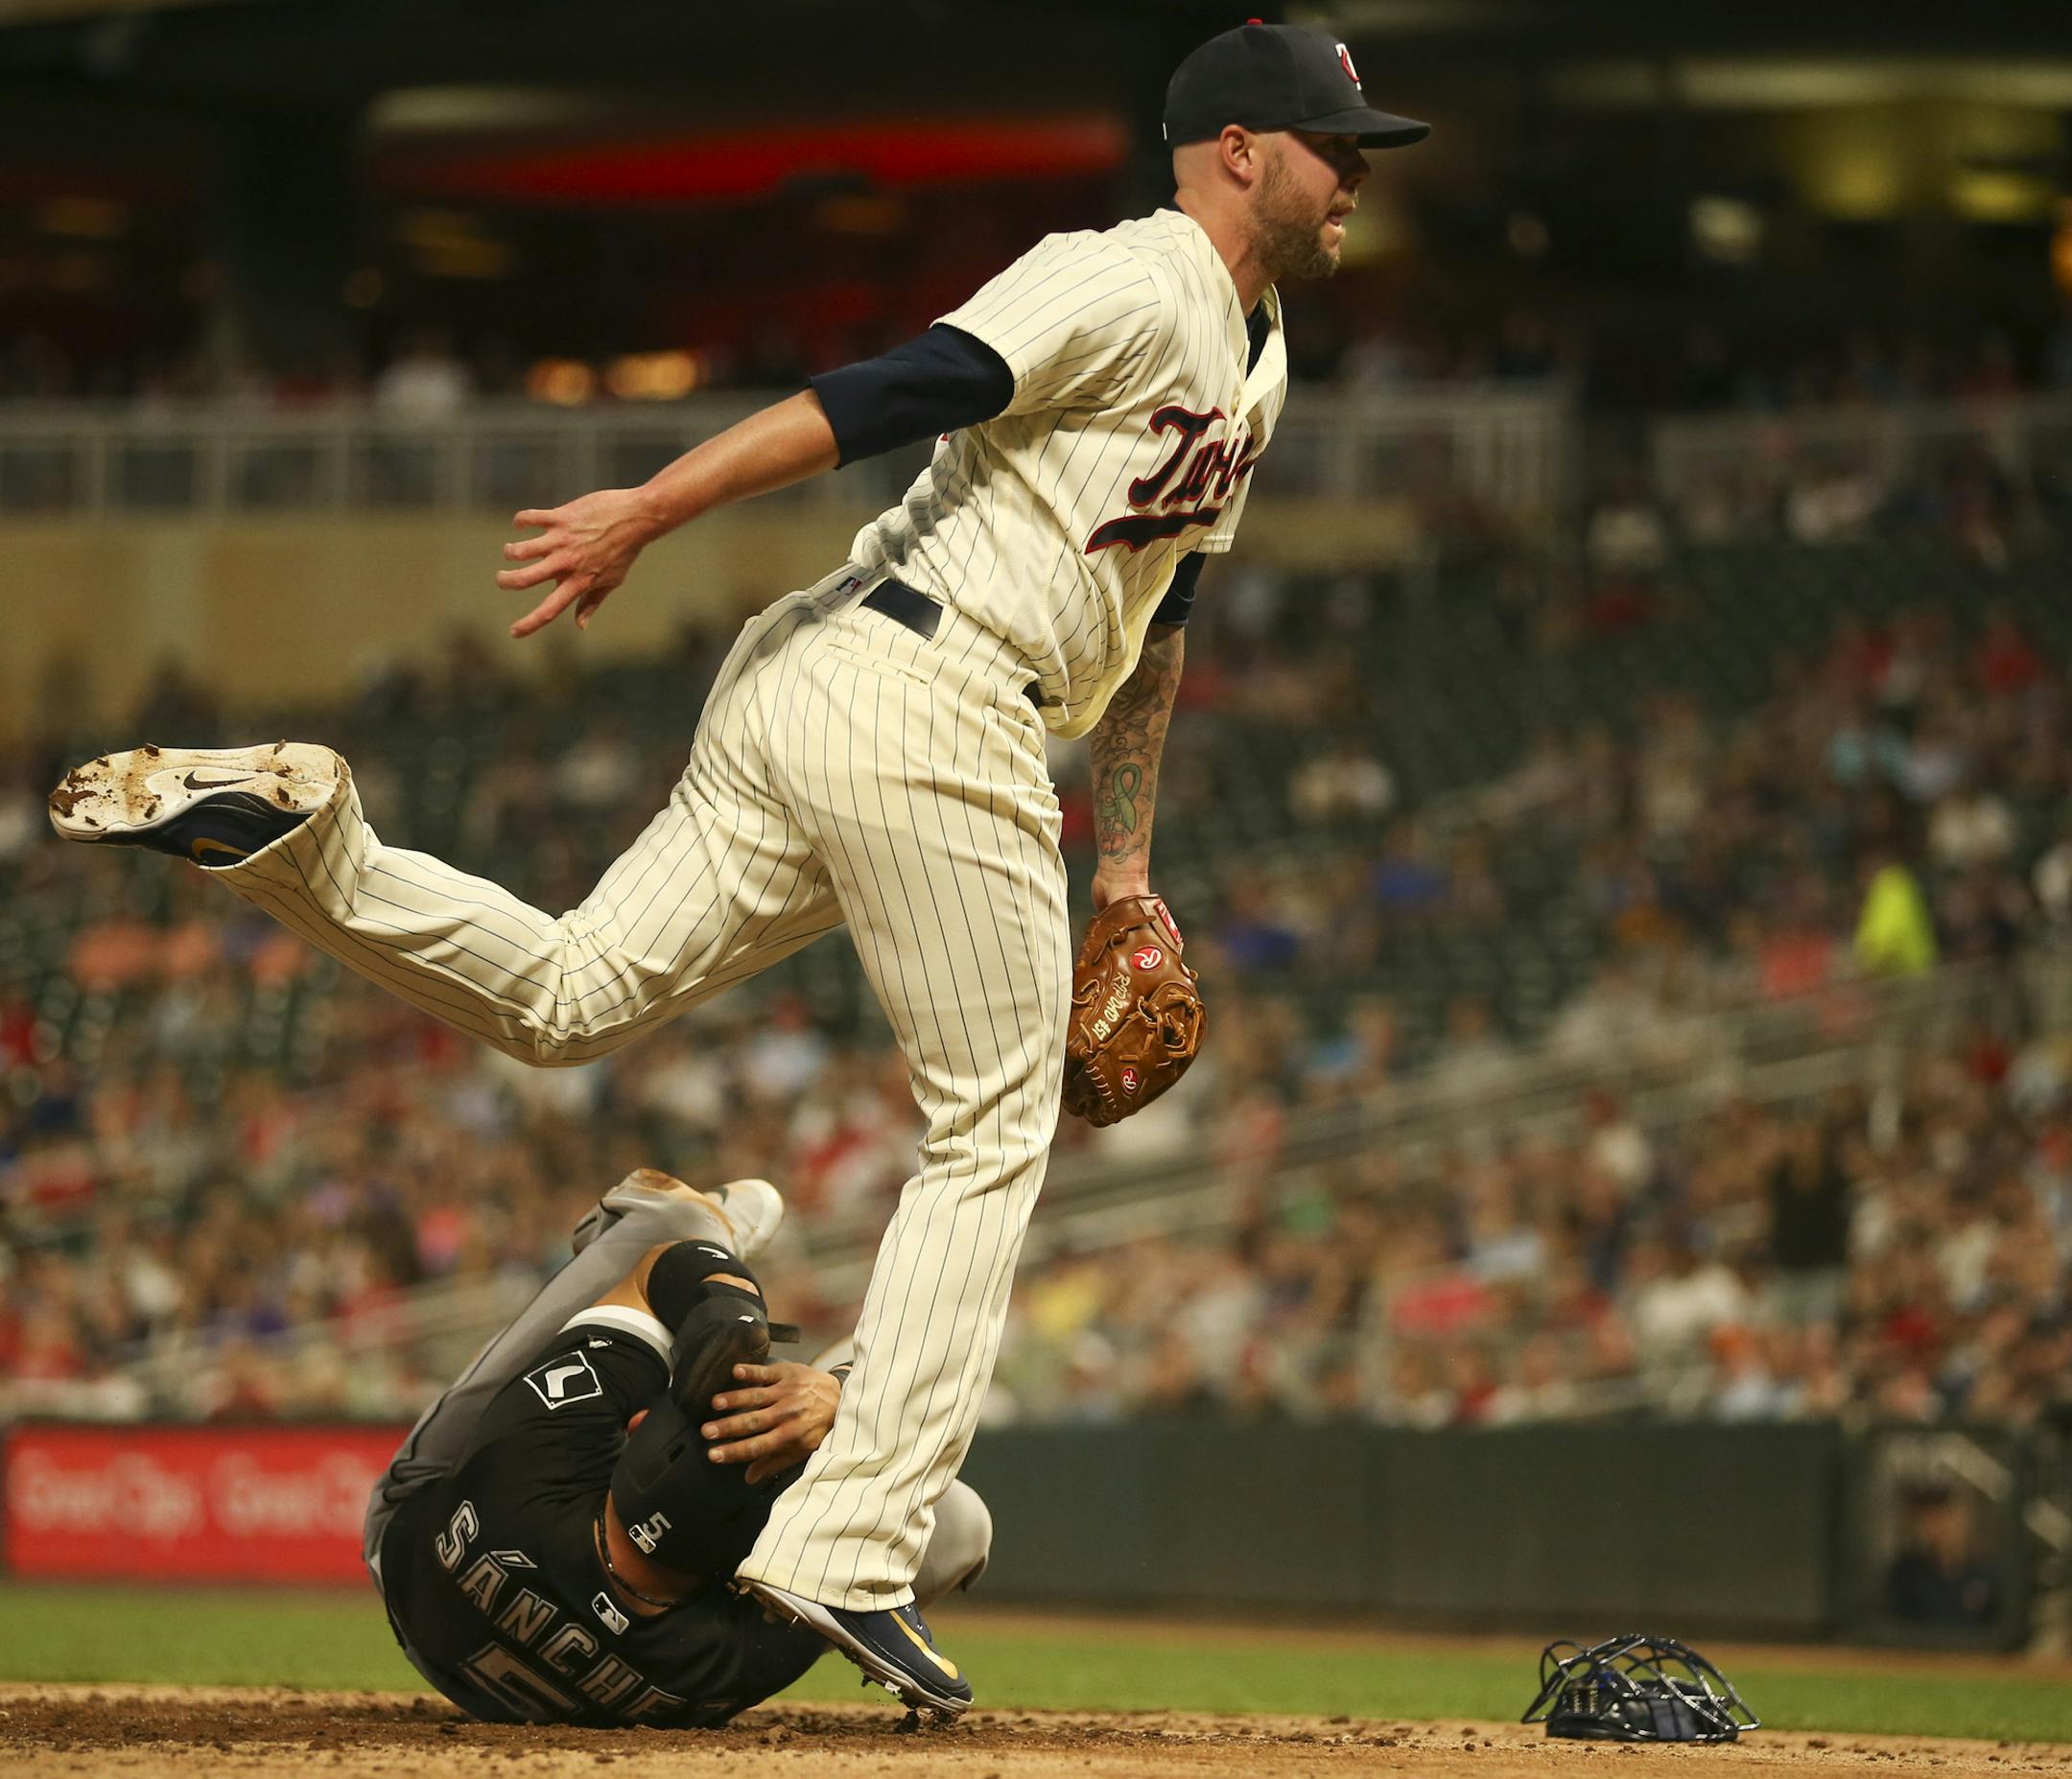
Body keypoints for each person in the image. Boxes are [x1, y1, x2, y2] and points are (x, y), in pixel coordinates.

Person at [48, 22, 1427, 1714]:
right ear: (1232, 147)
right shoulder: (1131, 282)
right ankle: (850, 1544)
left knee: (567, 995)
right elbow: (889, 391)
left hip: (839, 687)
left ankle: (313, 838)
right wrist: (650, 508)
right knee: (993, 1121)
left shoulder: (1260, 357)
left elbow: (1159, 618)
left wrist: (1127, 871)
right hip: (931, 687)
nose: (1357, 171)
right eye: (1332, 142)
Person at [368, 1169, 994, 1725]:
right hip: (605, 1654)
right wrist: (842, 1397)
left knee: (679, 1221)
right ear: (746, 1565)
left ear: (635, 1433)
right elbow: (945, 1538)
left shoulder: (534, 1457)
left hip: (409, 1561)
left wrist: (730, 1308)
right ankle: (835, 1394)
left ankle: (670, 1240)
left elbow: (661, 1267)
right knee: (961, 1522)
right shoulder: (721, 1660)